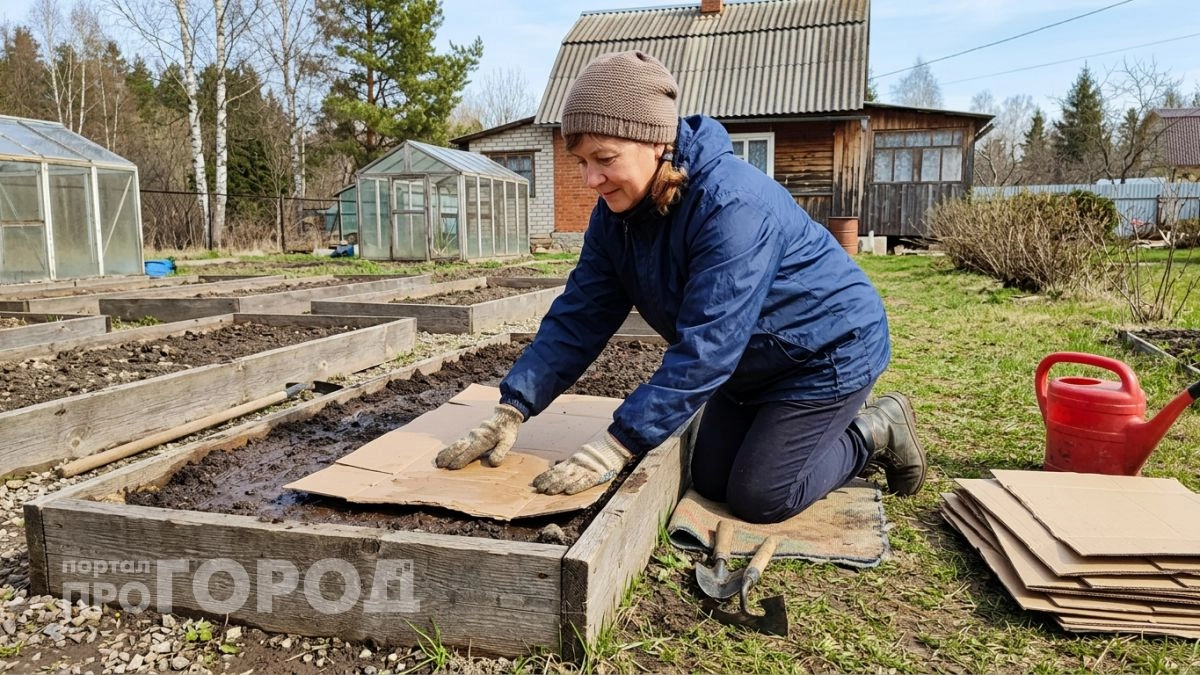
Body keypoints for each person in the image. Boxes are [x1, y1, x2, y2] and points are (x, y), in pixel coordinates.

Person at [435, 50, 926, 524]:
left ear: (656, 143)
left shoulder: (729, 206)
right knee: (711, 481)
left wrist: (618, 442)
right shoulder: (615, 218)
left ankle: (873, 430)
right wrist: (514, 406)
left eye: (604, 158)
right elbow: (581, 315)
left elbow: (709, 344)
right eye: (581, 162)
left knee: (761, 496)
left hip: (825, 350)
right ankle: (789, 428)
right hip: (752, 361)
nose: (591, 179)